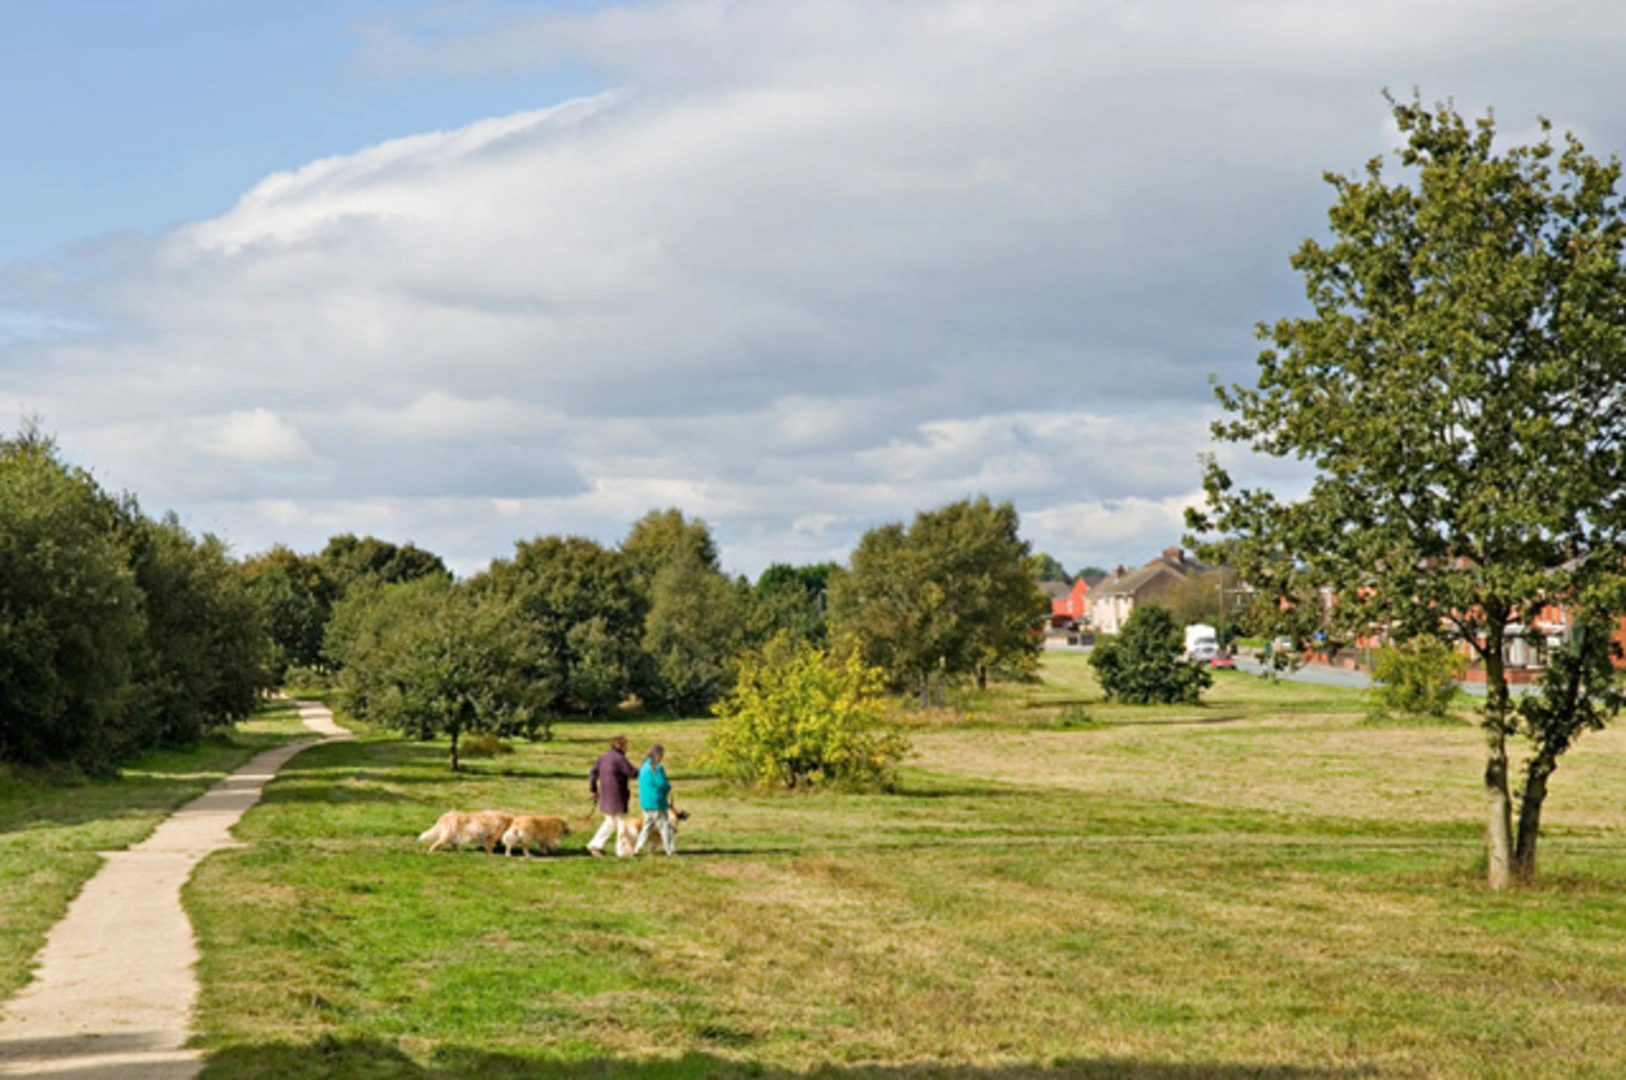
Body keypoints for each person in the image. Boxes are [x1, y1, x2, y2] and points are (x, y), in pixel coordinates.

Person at [586, 735, 637, 857]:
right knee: (622, 823)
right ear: (622, 746)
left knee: (610, 822)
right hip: (618, 796)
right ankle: (622, 851)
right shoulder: (620, 759)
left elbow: (593, 773)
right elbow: (632, 773)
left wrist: (593, 789)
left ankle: (594, 845)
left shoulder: (603, 758)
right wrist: (646, 770)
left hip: (605, 795)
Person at [634, 744, 676, 857]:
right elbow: (662, 783)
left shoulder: (643, 766)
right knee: (665, 826)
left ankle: (637, 848)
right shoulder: (657, 767)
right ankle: (670, 850)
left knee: (647, 826)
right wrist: (668, 787)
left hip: (645, 802)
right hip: (657, 802)